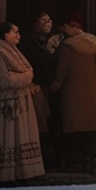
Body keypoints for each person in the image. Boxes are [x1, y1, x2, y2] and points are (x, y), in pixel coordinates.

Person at [0, 22, 46, 184]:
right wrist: (27, 77)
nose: (18, 35)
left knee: (22, 138)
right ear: (5, 35)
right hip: (8, 106)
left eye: (18, 32)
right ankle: (6, 176)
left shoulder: (15, 52)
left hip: (21, 102)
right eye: (14, 32)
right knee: (9, 139)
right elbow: (3, 80)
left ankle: (24, 173)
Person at [51, 14, 96, 174]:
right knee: (89, 127)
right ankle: (89, 162)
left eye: (66, 26)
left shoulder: (67, 46)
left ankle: (73, 163)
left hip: (73, 90)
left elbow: (62, 70)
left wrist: (55, 85)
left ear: (72, 28)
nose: (63, 29)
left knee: (73, 127)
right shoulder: (94, 43)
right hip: (93, 90)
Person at [18, 12, 58, 169]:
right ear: (35, 23)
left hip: (52, 86)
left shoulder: (54, 40)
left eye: (50, 20)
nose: (49, 23)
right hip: (36, 87)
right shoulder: (27, 42)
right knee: (41, 122)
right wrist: (33, 82)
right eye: (44, 20)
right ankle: (43, 160)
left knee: (53, 120)